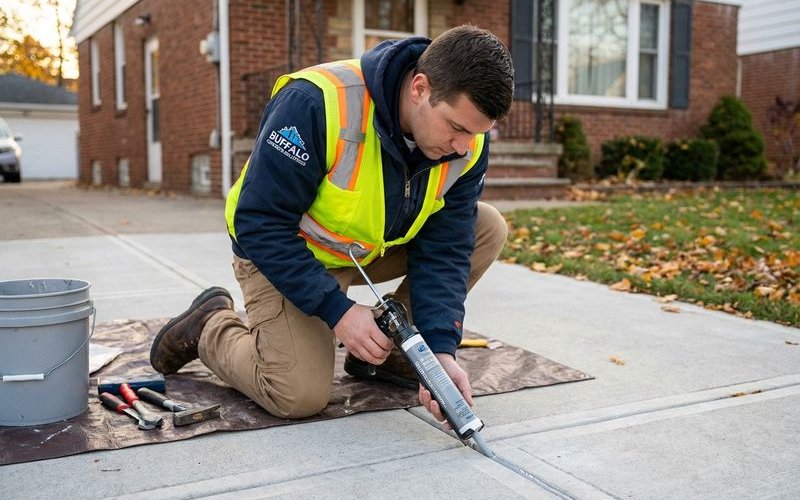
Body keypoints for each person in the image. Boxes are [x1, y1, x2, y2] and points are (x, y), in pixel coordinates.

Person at [150, 25, 514, 426]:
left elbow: (445, 248)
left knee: (487, 226)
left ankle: (390, 352)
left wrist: (440, 349)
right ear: (420, 88)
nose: (464, 146)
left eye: (477, 133)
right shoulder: (316, 103)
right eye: (457, 128)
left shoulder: (468, 142)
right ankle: (209, 325)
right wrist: (338, 311)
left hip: (367, 250)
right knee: (296, 395)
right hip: (286, 252)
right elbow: (258, 221)